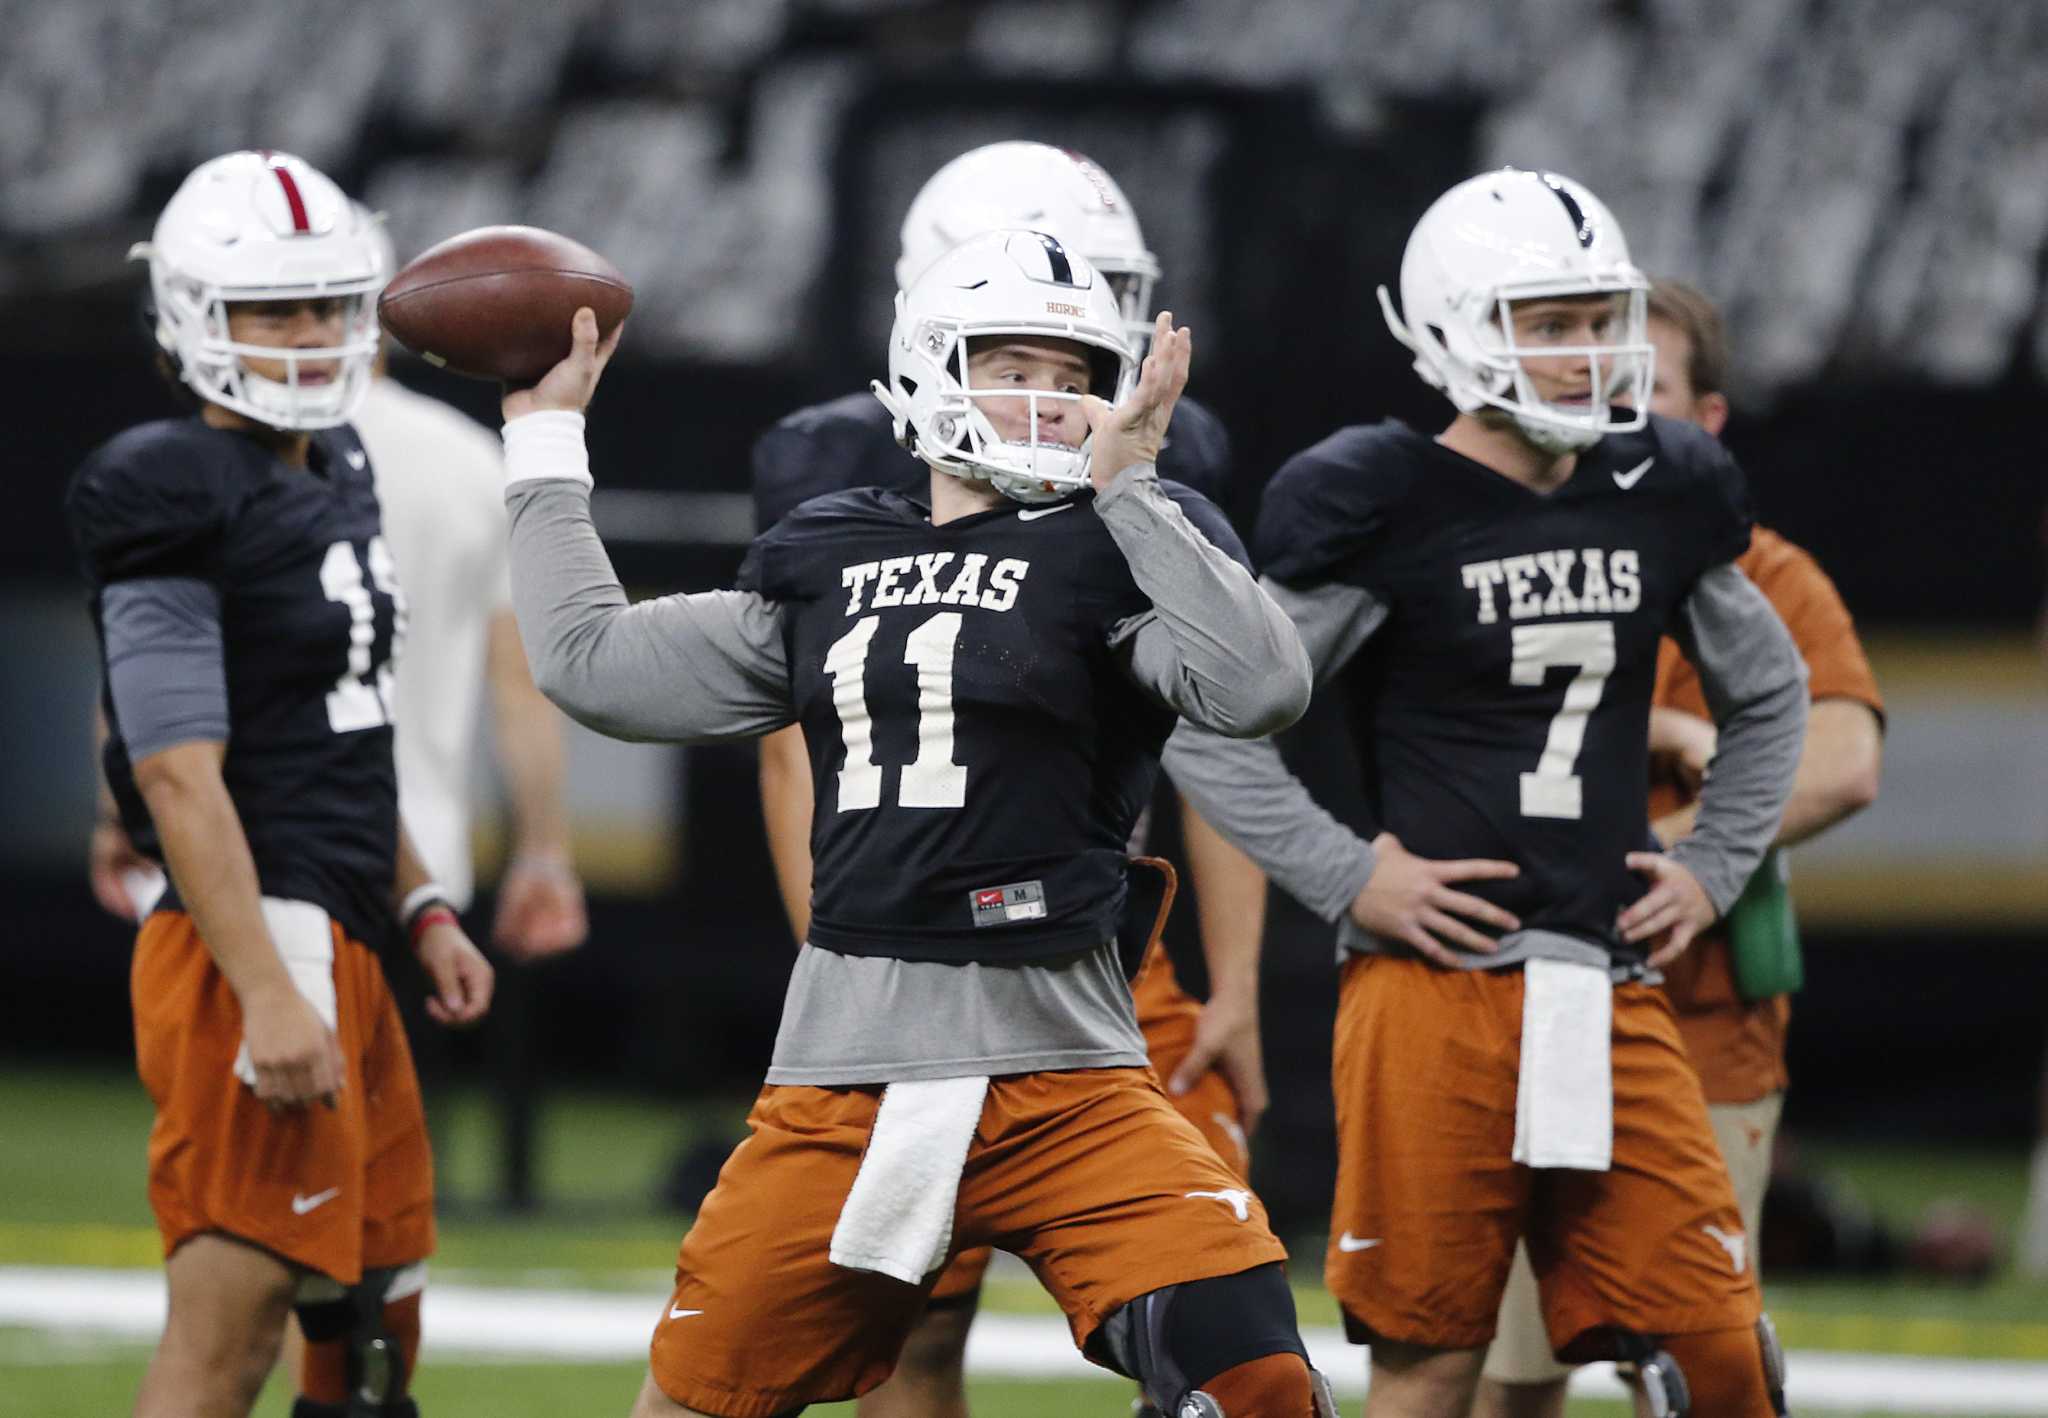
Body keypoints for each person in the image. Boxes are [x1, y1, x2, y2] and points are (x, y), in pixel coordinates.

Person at [500, 230, 1334, 1417]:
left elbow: (1262, 689)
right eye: (1010, 362)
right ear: (927, 366)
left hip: (1069, 1072)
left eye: (1069, 374)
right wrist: (543, 439)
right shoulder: (829, 551)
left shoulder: (1115, 546)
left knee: (1262, 1378)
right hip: (848, 1076)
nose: (1044, 399)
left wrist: (1134, 489)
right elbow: (589, 663)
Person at [1163, 168, 1809, 1418]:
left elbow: (1771, 695)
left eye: (1594, 320)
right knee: (1430, 1357)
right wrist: (1350, 871)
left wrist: (1716, 861)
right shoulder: (1381, 496)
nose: (1583, 355)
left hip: (1608, 983)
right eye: (1546, 324)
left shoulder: (1660, 485)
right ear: (1454, 326)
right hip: (1433, 997)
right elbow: (1206, 718)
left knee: (1724, 1355)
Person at [747, 140, 1267, 1418]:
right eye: (1011, 337)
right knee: (907, 1325)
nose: (1062, 354)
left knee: (1215, 1332)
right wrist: (845, 959)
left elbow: (1219, 730)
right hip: (912, 950)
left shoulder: (1168, 447)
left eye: (1092, 301)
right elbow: (788, 731)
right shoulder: (834, 470)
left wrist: (1236, 981)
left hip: (1103, 949)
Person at [65, 149, 495, 1418]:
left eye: (325, 303)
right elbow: (175, 773)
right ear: (194, 314)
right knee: (227, 1329)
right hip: (256, 936)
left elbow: (343, 737)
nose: (309, 336)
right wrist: (264, 988)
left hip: (350, 918)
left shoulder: (338, 465)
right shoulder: (168, 482)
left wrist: (420, 904)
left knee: (370, 1327)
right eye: (273, 309)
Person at [1471, 278, 1887, 1418]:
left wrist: (1659, 842)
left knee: (1708, 1368)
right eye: (1589, 378)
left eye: (1641, 388)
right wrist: (1658, 734)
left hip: (1701, 1024)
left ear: (1705, 420)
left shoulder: (1764, 571)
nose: (1610, 409)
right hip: (1516, 1011)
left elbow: (1842, 761)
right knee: (1504, 1379)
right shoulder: (1492, 543)